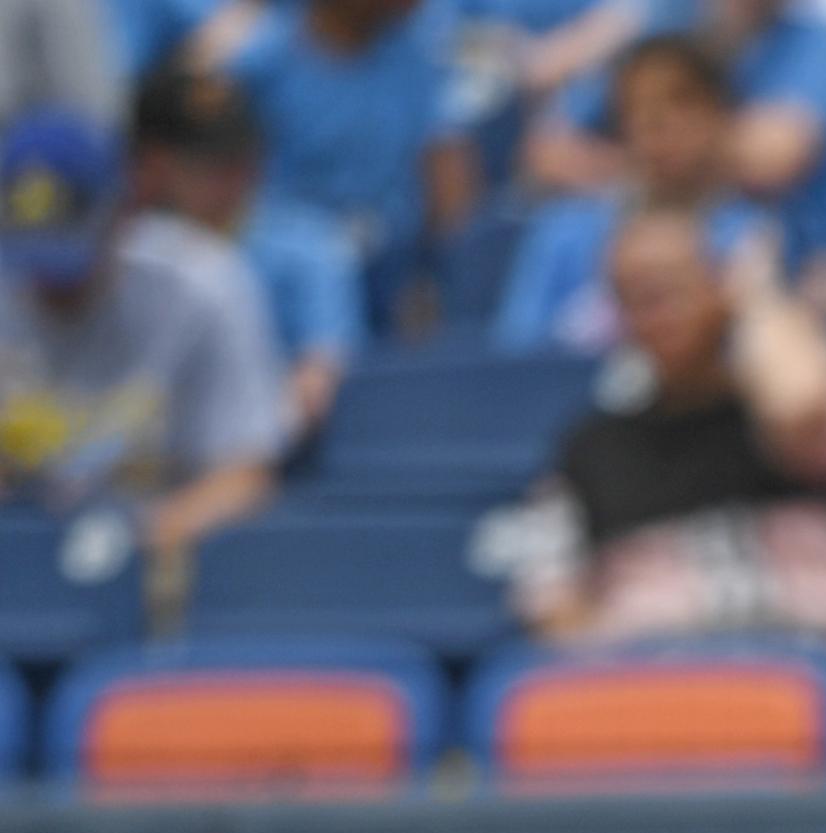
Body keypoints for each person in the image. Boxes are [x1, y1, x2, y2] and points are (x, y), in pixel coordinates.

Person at [503, 204, 826, 665]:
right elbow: (552, 605)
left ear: (719, 284)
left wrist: (757, 297)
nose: (657, 312)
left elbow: (805, 406)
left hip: (818, 681)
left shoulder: (776, 409)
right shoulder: (588, 446)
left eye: (672, 288)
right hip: (664, 695)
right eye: (635, 297)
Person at [0, 106, 284, 551]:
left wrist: (123, 548)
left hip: (164, 566)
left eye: (66, 255)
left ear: (123, 215)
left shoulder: (204, 285)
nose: (49, 283)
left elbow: (244, 475)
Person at [520, 0, 826, 278]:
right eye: (642, 115)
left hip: (798, 253)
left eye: (683, 103)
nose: (657, 130)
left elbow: (779, 156)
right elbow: (547, 154)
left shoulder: (825, 41)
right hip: (636, 219)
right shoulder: (663, 22)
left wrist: (654, 164)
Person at [490, 33, 766, 349]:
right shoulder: (564, 233)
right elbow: (517, 360)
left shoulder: (753, 241)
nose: (656, 121)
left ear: (721, 114)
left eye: (680, 100)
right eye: (637, 107)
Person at [126, 62, 354, 442]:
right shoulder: (108, 253)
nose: (237, 183)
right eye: (212, 168)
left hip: (254, 467)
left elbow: (316, 386)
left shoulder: (307, 248)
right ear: (153, 167)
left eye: (246, 162)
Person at [208, 0, 472, 307]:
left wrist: (435, 276)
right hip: (288, 274)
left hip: (392, 266)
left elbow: (447, 175)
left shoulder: (415, 55)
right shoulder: (261, 63)